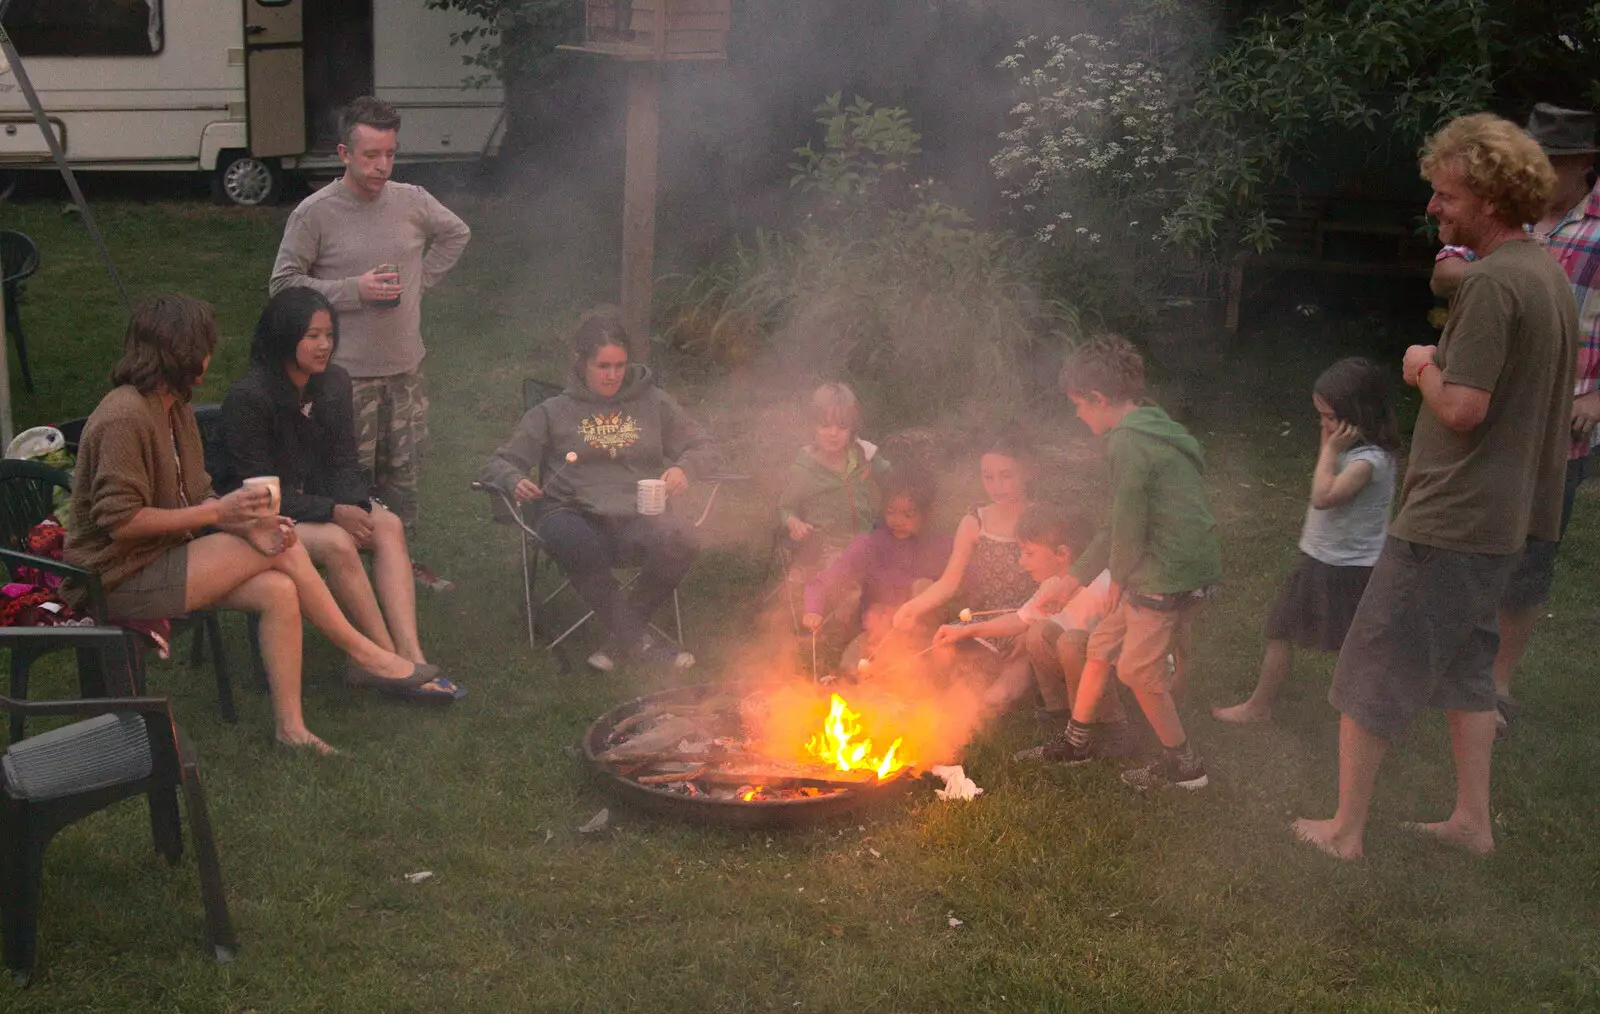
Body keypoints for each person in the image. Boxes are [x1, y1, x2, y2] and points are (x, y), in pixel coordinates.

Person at [1293, 114, 1575, 860]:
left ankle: (1344, 830)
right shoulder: (1547, 275)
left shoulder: (1490, 285)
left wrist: (1422, 363)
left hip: (1451, 519)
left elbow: (1465, 407)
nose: (1433, 208)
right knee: (1466, 666)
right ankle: (1471, 823)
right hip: (1505, 520)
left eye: (1445, 194)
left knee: (1372, 663)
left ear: (1487, 195)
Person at [64, 294, 459, 755]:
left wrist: (245, 525)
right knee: (285, 548)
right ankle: (367, 653)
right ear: (178, 351)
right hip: (113, 575)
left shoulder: (174, 409)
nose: (210, 357)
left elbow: (199, 492)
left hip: (160, 557)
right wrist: (220, 514)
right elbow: (121, 523)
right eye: (203, 347)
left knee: (279, 587)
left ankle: (291, 730)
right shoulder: (125, 416)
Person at [1430, 103, 1600, 739]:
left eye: (1549, 162)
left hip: (1564, 421)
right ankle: (1461, 672)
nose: (1535, 169)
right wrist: (1503, 276)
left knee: (1532, 551)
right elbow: (1445, 268)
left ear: (1582, 166)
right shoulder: (1506, 216)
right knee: (1473, 539)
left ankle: (1497, 683)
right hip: (1490, 409)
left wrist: (1597, 399)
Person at [269, 95, 471, 589]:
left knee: (402, 481)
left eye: (390, 154)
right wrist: (350, 292)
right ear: (343, 153)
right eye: (370, 155)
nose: (382, 166)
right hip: (343, 379)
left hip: (404, 371)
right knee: (349, 482)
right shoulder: (315, 214)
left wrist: (420, 282)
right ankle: (349, 574)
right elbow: (282, 285)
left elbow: (457, 233)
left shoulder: (412, 200)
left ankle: (400, 566)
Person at [216, 288, 458, 701]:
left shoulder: (332, 383)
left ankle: (409, 652)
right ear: (284, 336)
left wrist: (356, 507)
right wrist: (333, 511)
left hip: (317, 501)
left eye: (329, 334)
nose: (324, 345)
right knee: (336, 542)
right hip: (255, 516)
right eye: (312, 335)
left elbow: (345, 459)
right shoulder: (250, 398)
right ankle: (380, 660)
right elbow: (260, 496)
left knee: (387, 525)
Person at [478, 312, 721, 672]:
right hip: (572, 515)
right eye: (602, 366)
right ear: (582, 363)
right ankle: (640, 641)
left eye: (620, 365)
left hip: (640, 516)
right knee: (574, 539)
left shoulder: (653, 403)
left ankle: (619, 642)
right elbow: (499, 462)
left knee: (682, 538)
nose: (612, 375)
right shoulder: (553, 412)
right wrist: (514, 480)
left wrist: (685, 468)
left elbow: (706, 447)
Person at [1051, 335, 1222, 790]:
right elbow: (1116, 523)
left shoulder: (1125, 444)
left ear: (1098, 399)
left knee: (1135, 671)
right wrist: (1075, 577)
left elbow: (1127, 524)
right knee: (1101, 643)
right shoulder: (1151, 423)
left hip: (1165, 571)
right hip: (1170, 559)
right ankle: (1077, 742)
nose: (1077, 415)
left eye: (1079, 406)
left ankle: (1185, 766)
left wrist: (1116, 581)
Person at [1212, 358, 1398, 724]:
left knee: (1357, 647)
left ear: (1357, 414)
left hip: (1349, 569)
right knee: (1280, 628)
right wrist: (1329, 445)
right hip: (1320, 558)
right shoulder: (1348, 450)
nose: (1322, 424)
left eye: (1329, 417)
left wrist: (1328, 451)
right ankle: (1260, 706)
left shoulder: (1369, 461)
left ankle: (1370, 713)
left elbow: (1322, 496)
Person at [922, 504, 1122, 751]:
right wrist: (965, 630)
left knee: (1069, 642)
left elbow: (1130, 634)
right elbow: (1018, 621)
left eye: (1028, 553)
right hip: (1076, 670)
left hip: (1111, 673)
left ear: (1061, 554)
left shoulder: (1103, 586)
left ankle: (1108, 724)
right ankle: (1059, 711)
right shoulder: (1052, 586)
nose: (1021, 561)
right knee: (1037, 633)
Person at [891, 436, 1039, 695]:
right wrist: (912, 607)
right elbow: (949, 582)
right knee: (943, 677)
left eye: (1006, 476)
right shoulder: (975, 522)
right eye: (988, 477)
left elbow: (1056, 589)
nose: (997, 486)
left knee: (995, 700)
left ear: (1028, 471)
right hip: (981, 625)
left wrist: (1030, 629)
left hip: (1026, 627)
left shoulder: (1042, 520)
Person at [800, 466, 950, 674]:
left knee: (922, 588)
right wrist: (813, 609)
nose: (897, 521)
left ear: (927, 513)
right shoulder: (869, 546)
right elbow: (824, 581)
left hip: (923, 637)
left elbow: (958, 588)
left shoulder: (940, 547)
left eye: (908, 514)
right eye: (891, 512)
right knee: (853, 671)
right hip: (874, 635)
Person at [777, 382, 890, 567]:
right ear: (813, 426)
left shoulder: (864, 455)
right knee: (841, 576)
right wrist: (794, 522)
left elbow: (894, 482)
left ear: (852, 428)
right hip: (825, 551)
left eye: (842, 427)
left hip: (864, 543)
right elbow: (786, 507)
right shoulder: (806, 467)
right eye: (825, 425)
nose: (833, 433)